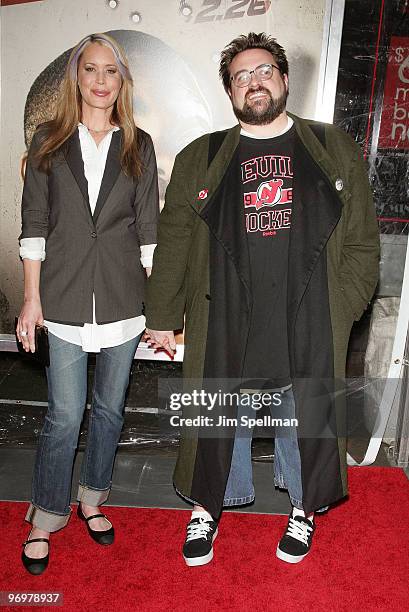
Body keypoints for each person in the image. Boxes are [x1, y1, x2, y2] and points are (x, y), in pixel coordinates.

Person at [145, 32, 379, 567]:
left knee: (308, 414)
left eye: (264, 70)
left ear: (284, 79)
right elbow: (175, 241)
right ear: (229, 91)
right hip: (224, 312)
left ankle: (304, 505)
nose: (254, 82)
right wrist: (161, 316)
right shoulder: (199, 157)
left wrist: (338, 307)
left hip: (309, 312)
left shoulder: (332, 147)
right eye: (241, 76)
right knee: (218, 412)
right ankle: (209, 504)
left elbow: (364, 243)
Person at [17, 33, 159, 575]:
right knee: (64, 415)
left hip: (125, 300)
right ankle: (47, 514)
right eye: (91, 70)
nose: (101, 81)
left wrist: (163, 310)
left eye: (111, 72)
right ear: (76, 76)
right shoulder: (48, 141)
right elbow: (34, 227)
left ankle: (93, 498)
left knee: (110, 411)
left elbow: (148, 233)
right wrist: (32, 300)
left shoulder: (138, 144)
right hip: (64, 297)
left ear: (122, 81)